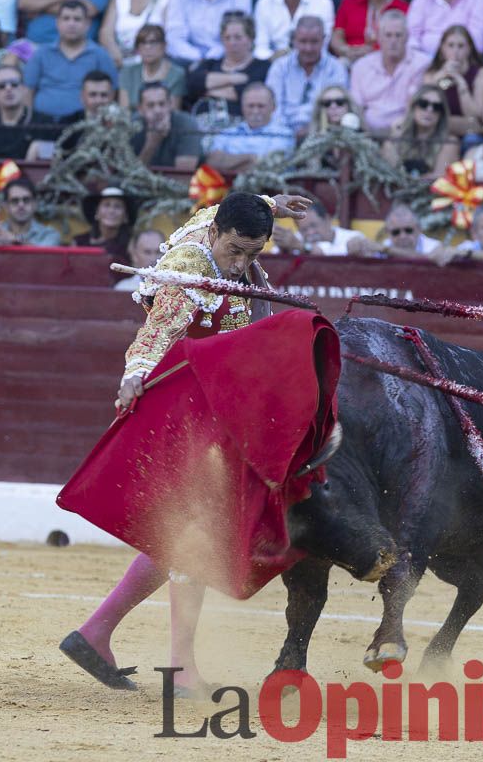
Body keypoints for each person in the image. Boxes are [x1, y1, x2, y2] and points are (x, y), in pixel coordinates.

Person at [60, 191, 311, 697]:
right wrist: (132, 375)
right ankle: (176, 670)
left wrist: (270, 202)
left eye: (252, 255)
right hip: (183, 407)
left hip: (212, 402)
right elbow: (155, 333)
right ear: (215, 235)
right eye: (234, 251)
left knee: (189, 533)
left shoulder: (215, 229)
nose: (240, 265)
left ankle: (99, 634)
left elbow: (210, 209)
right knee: (194, 536)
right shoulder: (188, 266)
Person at [26, 0, 118, 119]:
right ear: (57, 23)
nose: (71, 24)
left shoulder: (100, 55)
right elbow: (27, 90)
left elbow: (112, 93)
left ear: (87, 24)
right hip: (42, 123)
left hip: (84, 125)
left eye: (77, 19)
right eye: (66, 18)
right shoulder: (41, 54)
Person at [264, 15, 348, 137]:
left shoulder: (336, 69)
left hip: (323, 133)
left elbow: (336, 108)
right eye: (303, 41)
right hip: (281, 132)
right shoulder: (280, 67)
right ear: (294, 40)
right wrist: (286, 134)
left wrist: (314, 129)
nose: (308, 48)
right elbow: (273, 107)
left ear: (324, 40)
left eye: (314, 42)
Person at [350, 10, 430, 132]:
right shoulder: (361, 67)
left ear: (407, 37)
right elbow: (356, 108)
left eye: (398, 35)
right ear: (379, 38)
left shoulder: (422, 64)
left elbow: (421, 107)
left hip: (408, 132)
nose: (393, 41)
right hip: (368, 133)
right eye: (388, 35)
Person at [162, 0, 252, 65]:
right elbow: (175, 36)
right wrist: (198, 58)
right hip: (187, 60)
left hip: (227, 57)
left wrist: (210, 59)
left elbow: (239, 35)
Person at [185, 12, 271, 118]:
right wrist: (234, 78)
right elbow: (193, 84)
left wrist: (208, 90)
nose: (232, 42)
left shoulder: (262, 67)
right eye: (227, 38)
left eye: (238, 37)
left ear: (251, 39)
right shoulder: (210, 64)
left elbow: (245, 94)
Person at [0, 63, 59, 159]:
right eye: (1, 86)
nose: (8, 89)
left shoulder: (45, 124)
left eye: (14, 84)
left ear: (24, 88)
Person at [422, 24, 483, 136]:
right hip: (437, 129)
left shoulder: (482, 74)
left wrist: (460, 82)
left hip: (468, 131)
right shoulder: (431, 73)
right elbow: (422, 105)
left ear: (469, 49)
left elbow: (475, 116)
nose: (455, 51)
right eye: (450, 45)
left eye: (461, 46)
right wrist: (441, 76)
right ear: (442, 48)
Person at [330, 0, 409, 63]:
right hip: (351, 59)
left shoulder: (404, 9)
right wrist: (347, 50)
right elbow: (336, 37)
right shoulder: (348, 4)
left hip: (389, 61)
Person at [205, 82, 295, 171]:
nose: (255, 111)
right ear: (242, 107)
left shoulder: (284, 134)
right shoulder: (227, 133)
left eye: (261, 106)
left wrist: (229, 163)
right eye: (250, 106)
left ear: (273, 107)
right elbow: (212, 163)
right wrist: (249, 157)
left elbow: (268, 167)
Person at [254, 0, 335, 59]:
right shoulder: (264, 3)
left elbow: (323, 44)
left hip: (312, 61)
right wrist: (274, 58)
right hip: (273, 62)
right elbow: (260, 47)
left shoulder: (323, 2)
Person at [98, 0, 170, 67]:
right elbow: (105, 33)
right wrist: (117, 56)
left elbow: (170, 35)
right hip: (122, 62)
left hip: (154, 63)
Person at [381, 83, 461, 176]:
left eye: (436, 107)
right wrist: (393, 139)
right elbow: (388, 174)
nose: (429, 110)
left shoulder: (449, 143)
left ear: (441, 114)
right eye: (423, 104)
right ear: (413, 107)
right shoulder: (398, 137)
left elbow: (439, 179)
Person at [0, 178, 64, 247]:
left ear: (35, 204)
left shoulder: (49, 234)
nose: (21, 205)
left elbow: (45, 255)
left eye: (26, 200)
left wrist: (14, 240)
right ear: (6, 206)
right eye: (15, 201)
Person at [131, 81, 201, 170]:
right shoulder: (131, 126)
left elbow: (184, 174)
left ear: (170, 104)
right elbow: (129, 174)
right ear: (140, 109)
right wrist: (151, 144)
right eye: (150, 105)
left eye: (162, 104)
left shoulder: (187, 124)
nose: (157, 111)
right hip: (142, 182)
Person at [117, 24, 186, 111]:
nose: (147, 47)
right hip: (133, 123)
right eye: (143, 43)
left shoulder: (176, 74)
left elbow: (173, 112)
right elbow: (124, 111)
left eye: (153, 42)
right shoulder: (127, 72)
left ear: (164, 46)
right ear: (137, 48)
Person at [270, 197, 367, 254]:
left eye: (314, 226)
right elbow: (275, 253)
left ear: (328, 220)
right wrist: (283, 248)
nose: (310, 232)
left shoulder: (353, 237)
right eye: (304, 230)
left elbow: (332, 254)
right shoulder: (295, 239)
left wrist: (299, 246)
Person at [76, 185, 135, 266]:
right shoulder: (79, 242)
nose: (111, 211)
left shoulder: (132, 244)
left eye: (117, 206)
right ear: (96, 212)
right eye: (106, 205)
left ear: (125, 216)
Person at [112, 226, 165, 291]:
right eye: (147, 252)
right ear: (134, 255)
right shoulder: (123, 288)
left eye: (158, 252)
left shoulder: (176, 288)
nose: (154, 258)